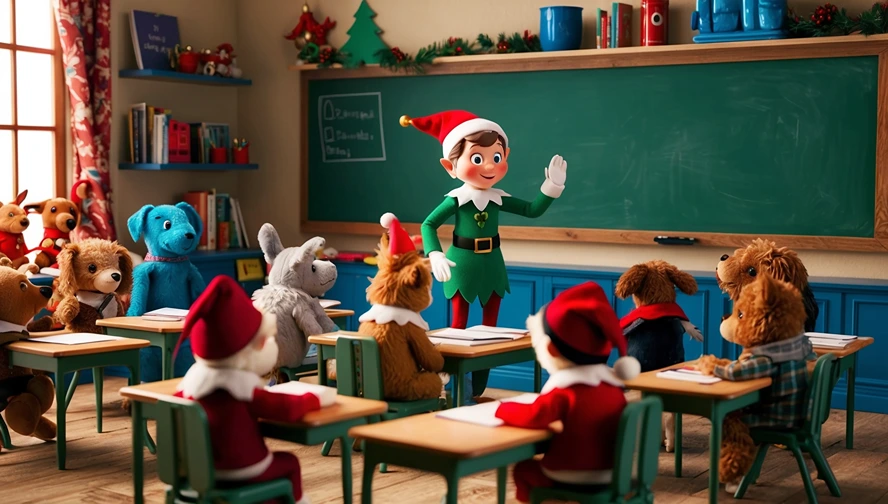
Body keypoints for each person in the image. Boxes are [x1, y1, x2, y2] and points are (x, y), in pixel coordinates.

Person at [402, 110, 567, 401]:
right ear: (449, 166)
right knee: (458, 327)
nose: (489, 166)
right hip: (461, 264)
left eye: (497, 157)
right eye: (477, 158)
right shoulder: (457, 199)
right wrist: (435, 254)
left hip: (492, 264)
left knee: (492, 330)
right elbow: (429, 224)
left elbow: (531, 210)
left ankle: (478, 388)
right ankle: (457, 388)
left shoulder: (498, 197)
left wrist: (551, 187)